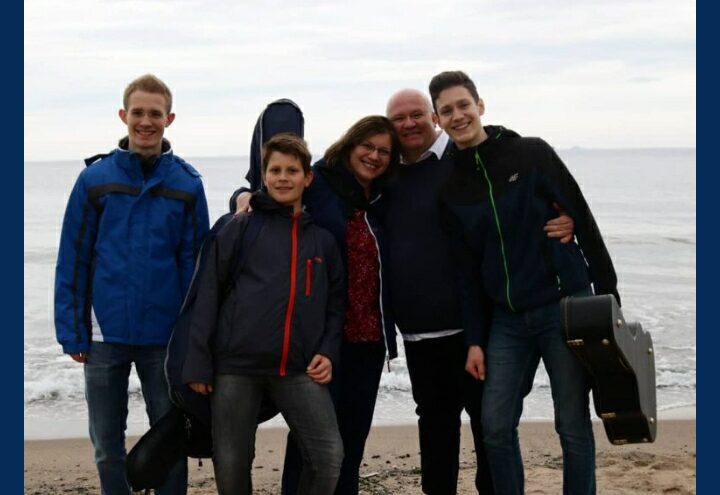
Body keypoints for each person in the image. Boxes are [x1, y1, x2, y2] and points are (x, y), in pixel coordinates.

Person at [429, 70, 620, 495]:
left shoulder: (531, 154)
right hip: (507, 320)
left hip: (563, 307)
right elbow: (465, 272)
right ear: (437, 120)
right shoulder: (451, 186)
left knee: (571, 423)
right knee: (495, 426)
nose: (458, 115)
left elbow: (583, 219)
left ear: (480, 105)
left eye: (464, 105)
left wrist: (610, 300)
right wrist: (474, 340)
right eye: (447, 110)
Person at [381, 88, 574, 495]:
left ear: (434, 118)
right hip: (418, 332)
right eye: (399, 118)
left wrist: (565, 217)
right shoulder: (386, 173)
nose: (409, 123)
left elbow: (514, 188)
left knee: (490, 427)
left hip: (477, 326)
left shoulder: (462, 158)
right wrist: (248, 192)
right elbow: (336, 170)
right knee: (435, 427)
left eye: (417, 114)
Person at [54, 74, 208, 495]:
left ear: (169, 119)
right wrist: (72, 331)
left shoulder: (187, 183)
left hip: (165, 339)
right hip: (105, 337)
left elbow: (197, 269)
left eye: (155, 114)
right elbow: (74, 259)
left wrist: (195, 338)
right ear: (123, 115)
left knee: (171, 442)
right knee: (107, 446)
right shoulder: (95, 180)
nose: (146, 121)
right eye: (138, 112)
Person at [233, 116, 401, 495]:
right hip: (321, 339)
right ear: (350, 144)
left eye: (384, 151)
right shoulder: (321, 181)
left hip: (369, 338)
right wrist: (242, 196)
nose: (374, 156)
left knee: (353, 441)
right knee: (313, 445)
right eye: (367, 146)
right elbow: (273, 189)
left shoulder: (383, 196)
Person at [184, 133, 346, 495]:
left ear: (308, 178)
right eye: (275, 170)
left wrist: (328, 351)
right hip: (235, 367)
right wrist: (198, 361)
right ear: (264, 175)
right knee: (231, 466)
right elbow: (206, 294)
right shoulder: (239, 228)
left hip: (298, 367)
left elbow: (336, 305)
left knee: (328, 456)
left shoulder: (322, 240)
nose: (283, 178)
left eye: (292, 170)